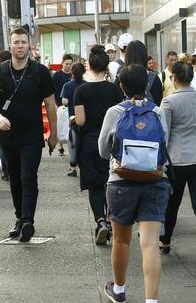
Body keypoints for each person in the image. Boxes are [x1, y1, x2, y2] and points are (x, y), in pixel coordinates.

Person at [98, 64, 170, 303]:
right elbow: (165, 145)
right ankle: (151, 300)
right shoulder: (158, 112)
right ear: (147, 85)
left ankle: (118, 290)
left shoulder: (114, 112)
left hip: (121, 181)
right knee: (149, 244)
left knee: (121, 239)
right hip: (154, 180)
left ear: (121, 86)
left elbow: (103, 150)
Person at [0, 27, 58, 242]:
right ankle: (19, 218)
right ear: (10, 45)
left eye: (23, 42)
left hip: (32, 135)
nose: (19, 46)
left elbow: (51, 104)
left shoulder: (40, 71)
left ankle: (28, 221)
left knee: (28, 177)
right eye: (16, 42)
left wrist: (54, 134)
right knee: (15, 179)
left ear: (29, 45)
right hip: (8, 135)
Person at [159, 61, 196, 267]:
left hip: (177, 160)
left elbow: (163, 135)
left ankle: (164, 242)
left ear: (173, 79)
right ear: (191, 77)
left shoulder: (168, 103)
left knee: (172, 205)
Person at [74, 45, 123, 245]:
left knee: (95, 186)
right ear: (106, 68)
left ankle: (100, 221)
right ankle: (111, 220)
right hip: (111, 144)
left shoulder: (81, 90)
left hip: (89, 143)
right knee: (110, 183)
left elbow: (80, 121)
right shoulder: (114, 90)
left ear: (89, 66)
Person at [116, 40, 162, 105]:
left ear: (127, 56)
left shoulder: (121, 77)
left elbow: (116, 101)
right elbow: (158, 101)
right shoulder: (153, 78)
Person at [61, 62, 86, 177]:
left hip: (73, 118)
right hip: (85, 118)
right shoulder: (86, 85)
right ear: (84, 72)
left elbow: (64, 102)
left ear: (72, 73)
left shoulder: (67, 85)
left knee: (73, 142)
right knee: (84, 142)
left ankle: (72, 168)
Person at [0, 50, 11, 181]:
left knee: (0, 141)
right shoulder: (15, 71)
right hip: (14, 113)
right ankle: (8, 169)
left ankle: (4, 169)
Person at [52, 54, 73, 156]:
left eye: (70, 64)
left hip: (71, 105)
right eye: (67, 64)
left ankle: (70, 145)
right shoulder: (56, 75)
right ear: (62, 64)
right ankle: (61, 147)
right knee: (60, 126)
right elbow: (51, 90)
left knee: (70, 126)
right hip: (59, 104)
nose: (68, 66)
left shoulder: (73, 75)